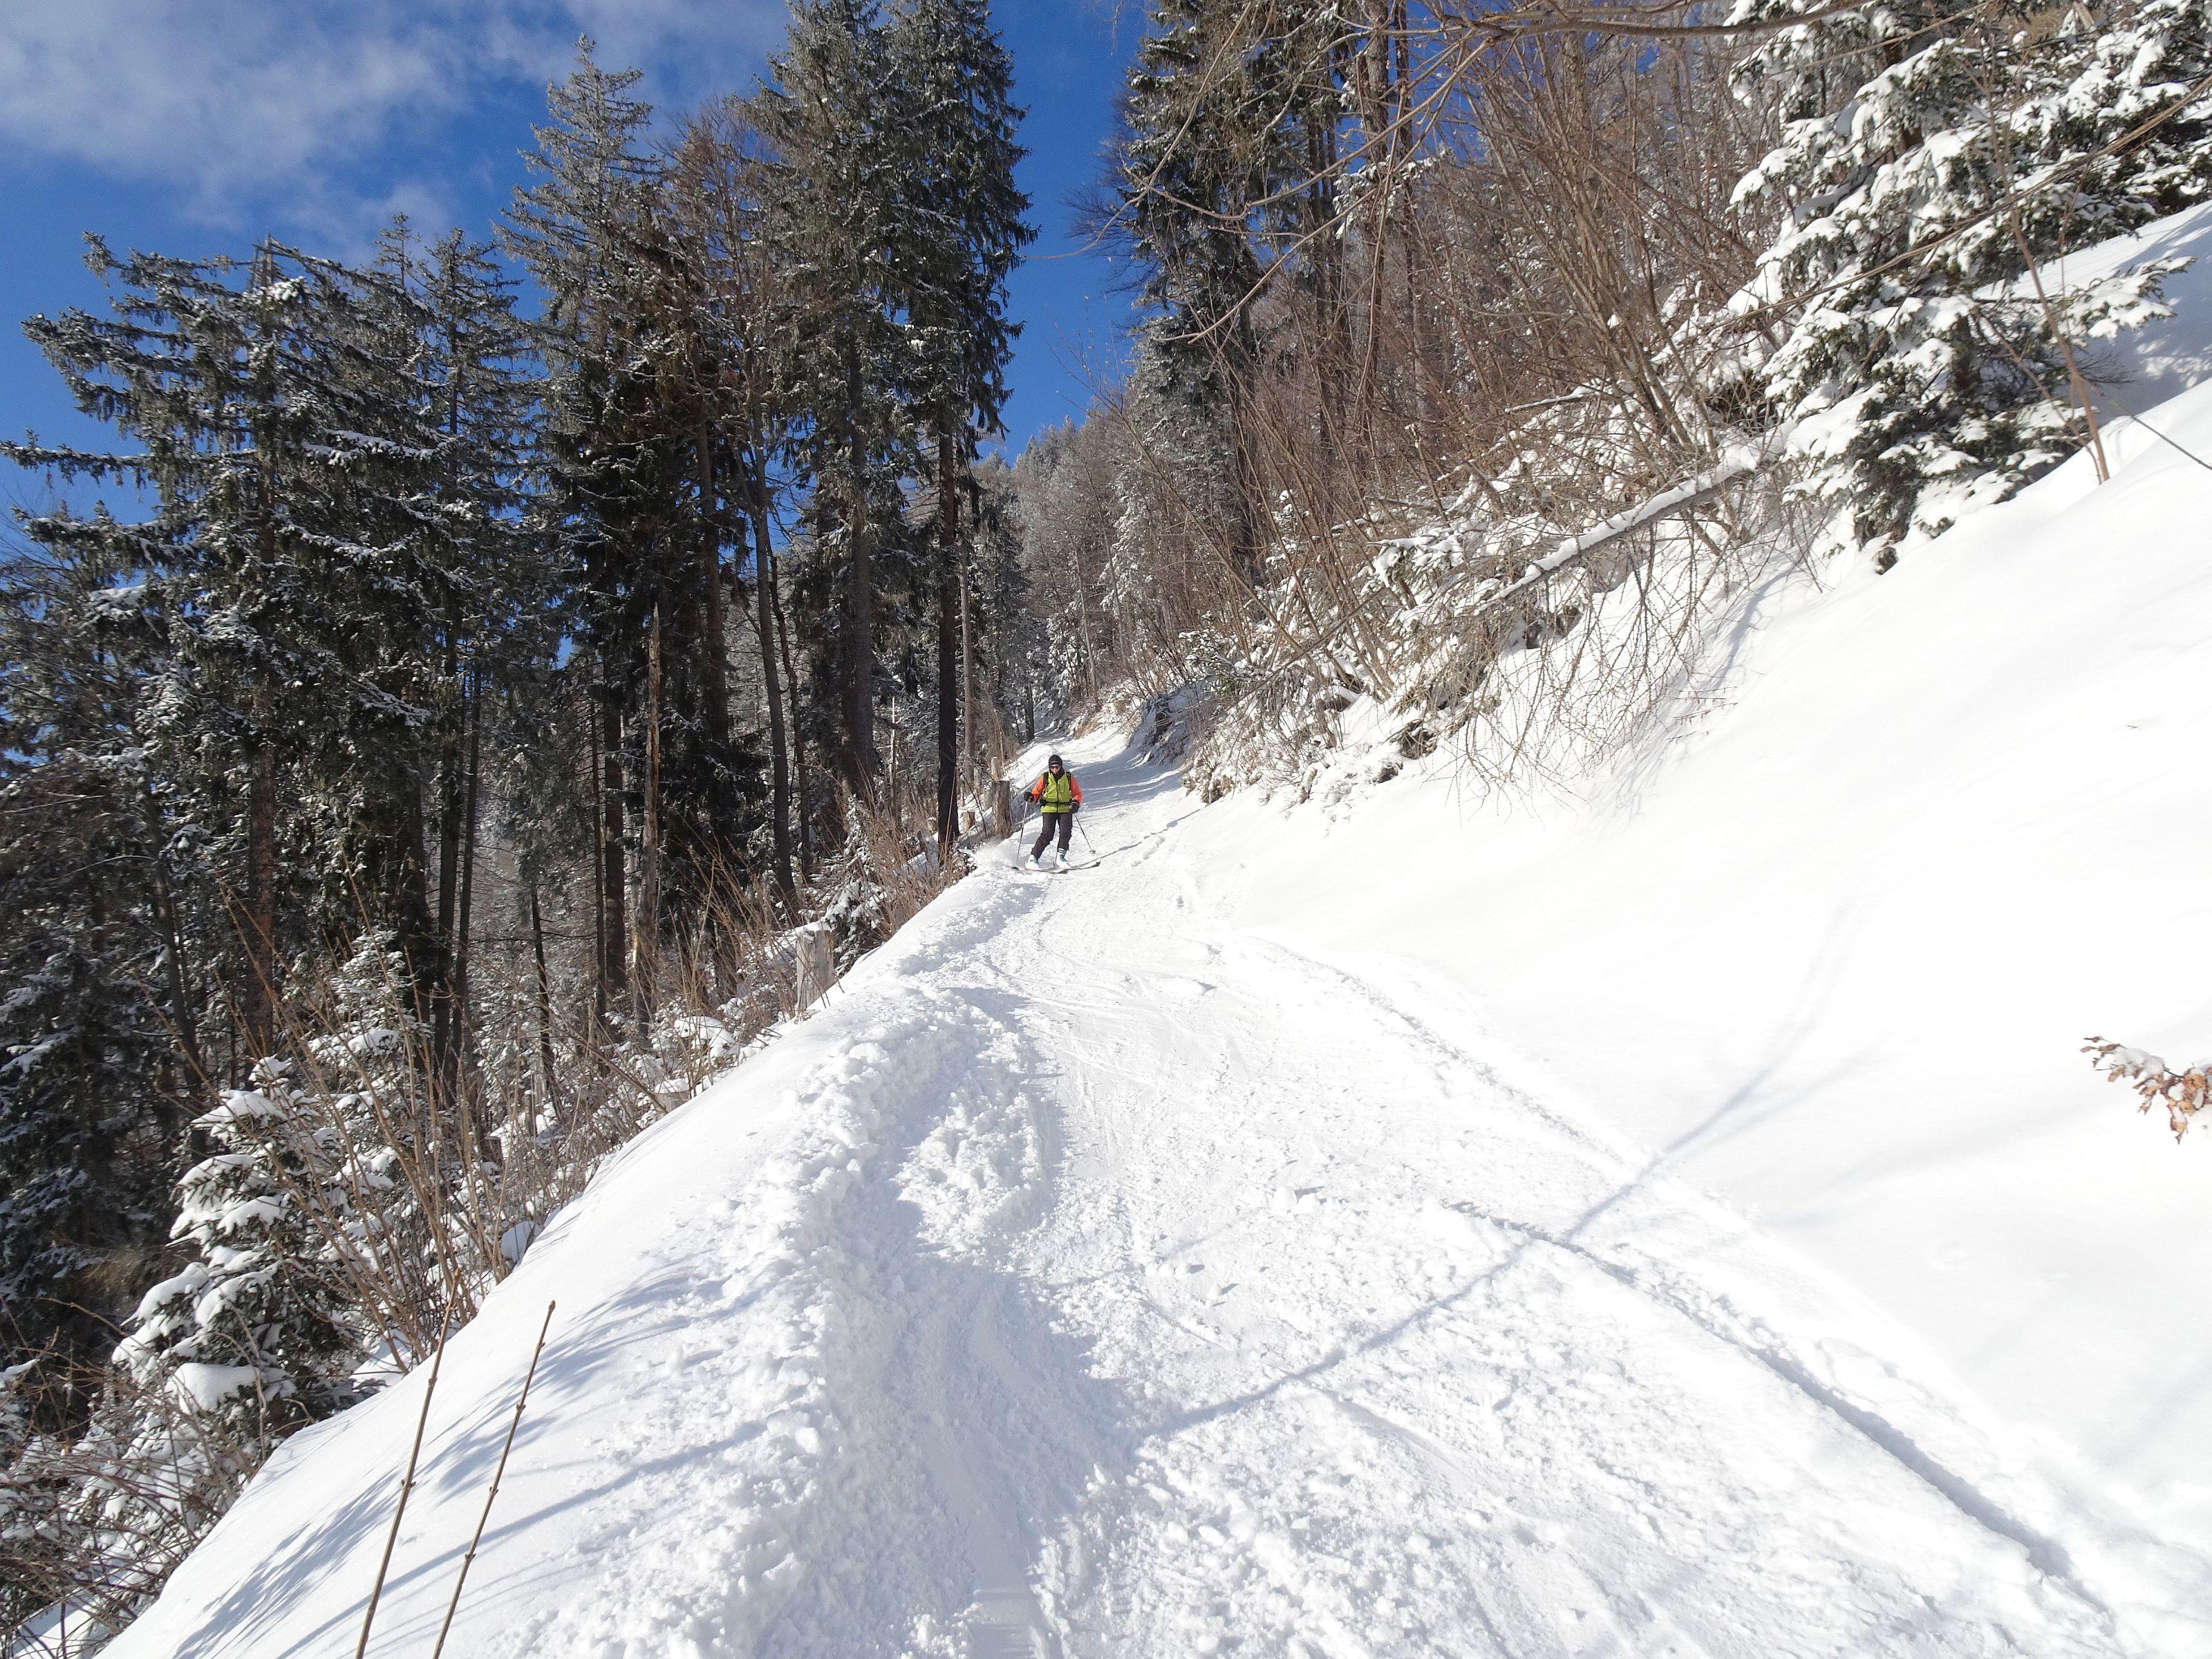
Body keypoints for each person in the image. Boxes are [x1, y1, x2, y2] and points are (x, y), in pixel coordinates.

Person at [1024, 753, 1082, 868]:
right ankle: (1033, 858)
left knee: (1066, 832)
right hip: (1049, 808)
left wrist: (1075, 802)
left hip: (1065, 808)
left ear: (1061, 766)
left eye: (1057, 767)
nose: (1055, 769)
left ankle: (1060, 858)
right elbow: (1036, 794)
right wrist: (1030, 797)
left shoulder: (1068, 777)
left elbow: (1077, 793)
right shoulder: (1045, 777)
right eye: (1052, 767)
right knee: (1047, 833)